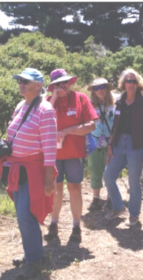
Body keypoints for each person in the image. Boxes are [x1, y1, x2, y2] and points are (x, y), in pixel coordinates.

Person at [0, 68, 57, 279]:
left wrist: (49, 178)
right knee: (22, 214)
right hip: (18, 168)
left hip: (35, 171)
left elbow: (50, 146)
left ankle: (34, 260)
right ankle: (31, 253)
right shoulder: (21, 105)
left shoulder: (46, 110)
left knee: (26, 214)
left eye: (26, 81)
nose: (21, 83)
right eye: (20, 80)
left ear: (39, 86)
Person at [44, 69, 98, 243]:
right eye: (58, 84)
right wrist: (53, 97)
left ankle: (76, 226)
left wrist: (68, 131)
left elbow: (91, 125)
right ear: (53, 86)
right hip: (53, 154)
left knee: (75, 189)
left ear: (70, 82)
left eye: (65, 82)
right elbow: (42, 120)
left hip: (74, 154)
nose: (62, 86)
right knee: (55, 189)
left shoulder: (81, 98)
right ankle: (53, 224)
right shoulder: (47, 102)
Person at [103, 69, 143, 226]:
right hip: (119, 143)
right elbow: (115, 126)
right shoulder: (119, 101)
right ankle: (118, 207)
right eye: (128, 81)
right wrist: (110, 145)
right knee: (108, 176)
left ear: (137, 83)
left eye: (133, 81)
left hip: (136, 145)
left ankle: (134, 214)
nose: (131, 84)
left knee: (134, 181)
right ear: (123, 84)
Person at [87, 78, 115, 211]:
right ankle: (96, 198)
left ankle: (111, 198)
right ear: (93, 92)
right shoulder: (90, 106)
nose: (100, 90)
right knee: (95, 169)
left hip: (111, 141)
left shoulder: (115, 105)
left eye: (103, 87)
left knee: (111, 171)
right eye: (96, 88)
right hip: (95, 141)